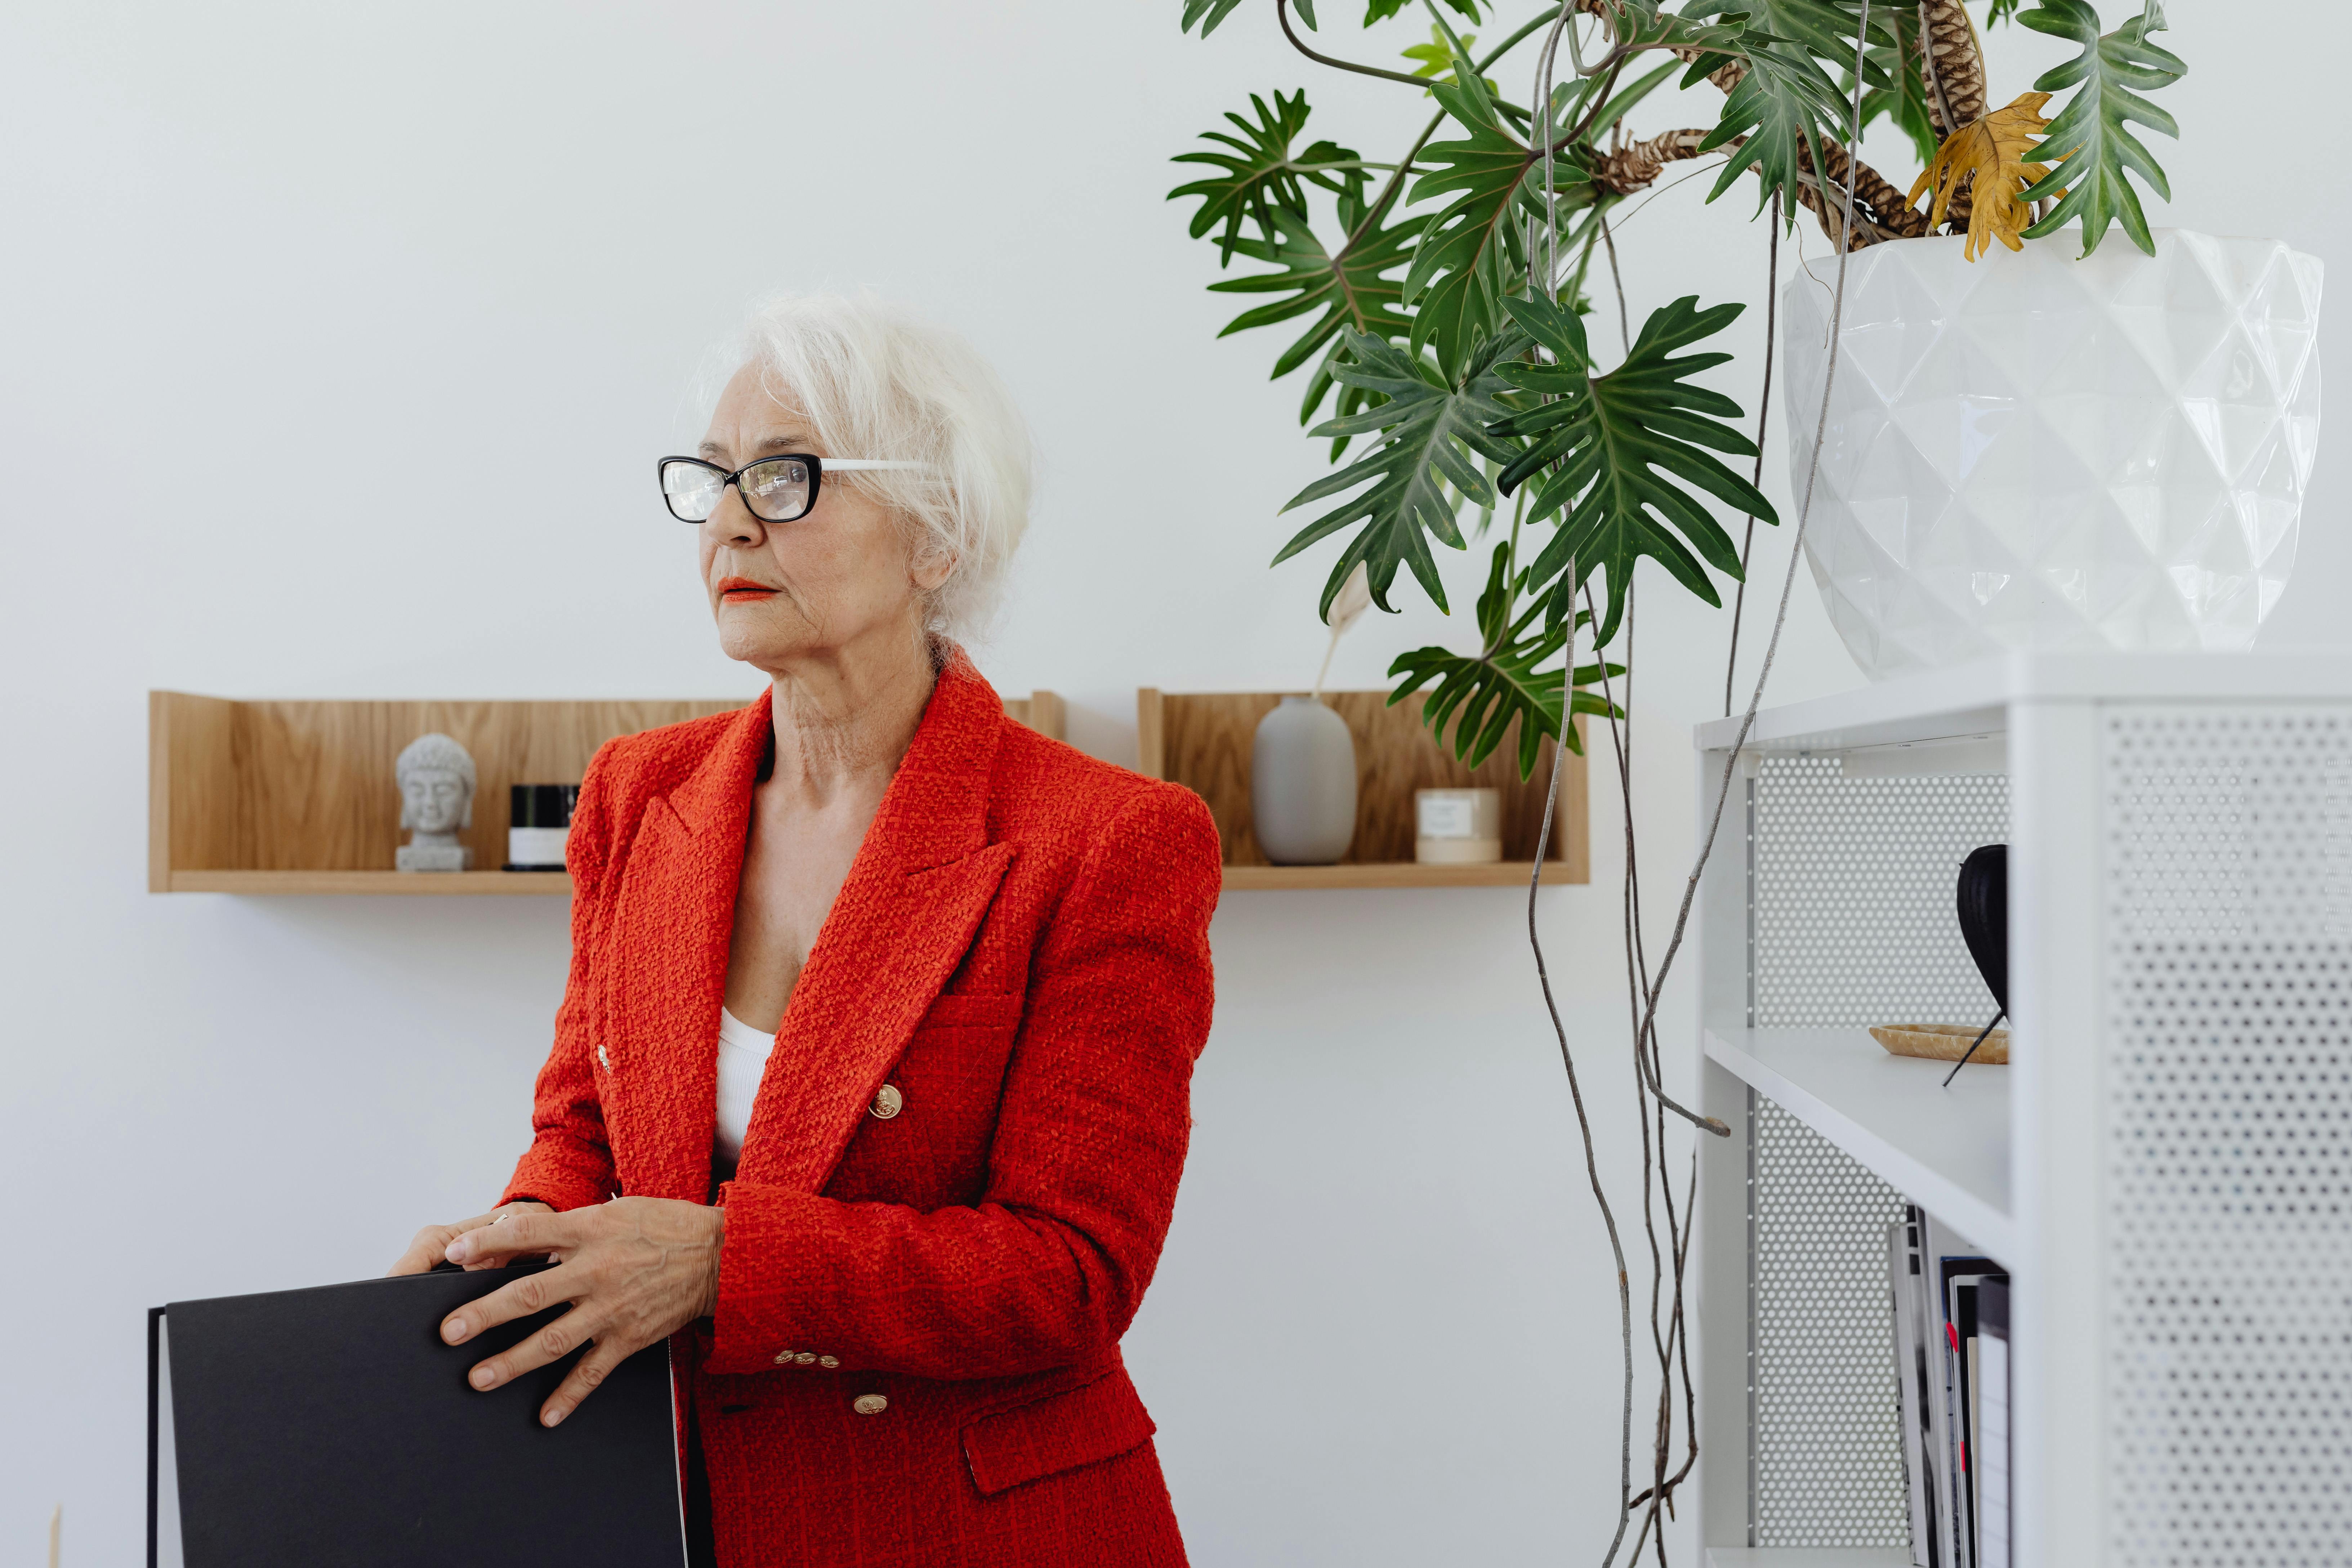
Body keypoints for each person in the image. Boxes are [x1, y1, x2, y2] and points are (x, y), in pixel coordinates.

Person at [390, 291, 1221, 1567]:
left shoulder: (1109, 839)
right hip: (680, 1514)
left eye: (784, 478)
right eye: (713, 478)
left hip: (982, 1531)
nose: (727, 517)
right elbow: (584, 1133)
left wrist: (723, 1262)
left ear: (935, 538)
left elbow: (1073, 1270)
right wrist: (519, 1243)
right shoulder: (635, 793)